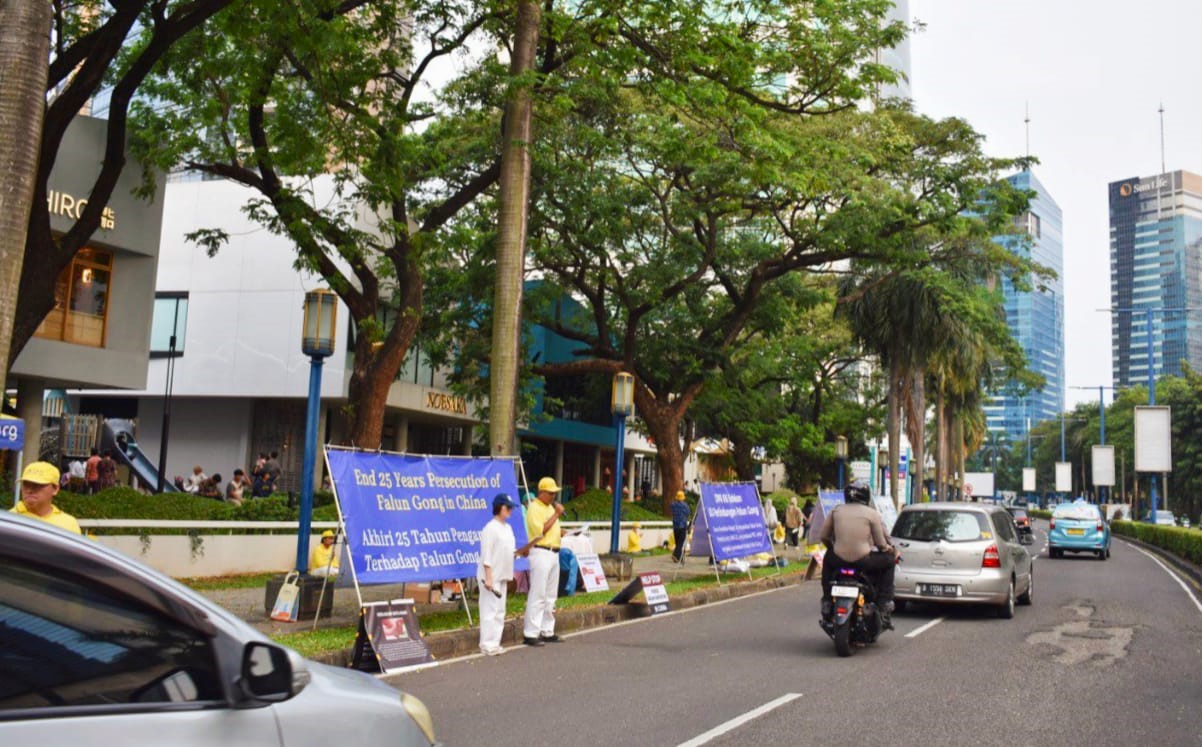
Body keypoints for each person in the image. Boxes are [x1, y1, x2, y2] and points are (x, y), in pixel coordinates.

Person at [818, 480, 896, 628]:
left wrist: (833, 548)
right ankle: (883, 604)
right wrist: (888, 549)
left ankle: (827, 599)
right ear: (866, 497)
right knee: (890, 561)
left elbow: (824, 536)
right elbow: (880, 543)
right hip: (863, 561)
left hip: (838, 560)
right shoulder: (872, 514)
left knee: (828, 558)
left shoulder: (836, 511)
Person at [478, 494, 525, 655]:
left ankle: (495, 642)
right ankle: (487, 644)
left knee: (499, 611)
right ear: (499, 507)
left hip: (503, 574)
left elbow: (508, 551)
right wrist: (488, 577)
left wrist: (520, 553)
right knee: (489, 610)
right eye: (508, 507)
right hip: (491, 575)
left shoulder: (508, 528)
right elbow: (487, 554)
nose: (510, 510)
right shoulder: (490, 528)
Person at [523, 476, 565, 646]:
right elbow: (540, 531)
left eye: (554, 493)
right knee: (538, 593)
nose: (553, 496)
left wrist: (561, 531)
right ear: (541, 492)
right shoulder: (534, 508)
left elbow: (552, 527)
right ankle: (531, 632)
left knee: (550, 595)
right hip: (540, 552)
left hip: (554, 552)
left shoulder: (549, 508)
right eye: (550, 493)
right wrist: (556, 514)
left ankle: (547, 630)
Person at [11, 462, 82, 535]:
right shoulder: (10, 519)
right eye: (26, 484)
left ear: (55, 489)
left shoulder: (69, 524)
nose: (29, 490)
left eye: (37, 485)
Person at [671, 490, 690, 562]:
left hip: (675, 526)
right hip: (682, 526)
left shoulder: (673, 505)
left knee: (677, 542)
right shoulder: (685, 506)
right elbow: (688, 513)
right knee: (681, 543)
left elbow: (672, 511)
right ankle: (675, 554)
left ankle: (678, 557)